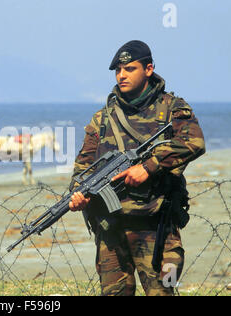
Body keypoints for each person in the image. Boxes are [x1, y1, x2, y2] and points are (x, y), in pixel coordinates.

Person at [68, 40, 205, 296]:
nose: (122, 75)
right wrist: (77, 195)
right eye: (118, 71)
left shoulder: (172, 108)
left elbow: (194, 141)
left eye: (129, 69)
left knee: (163, 292)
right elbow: (83, 168)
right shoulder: (102, 118)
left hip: (157, 228)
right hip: (111, 231)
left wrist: (149, 167)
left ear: (149, 69)